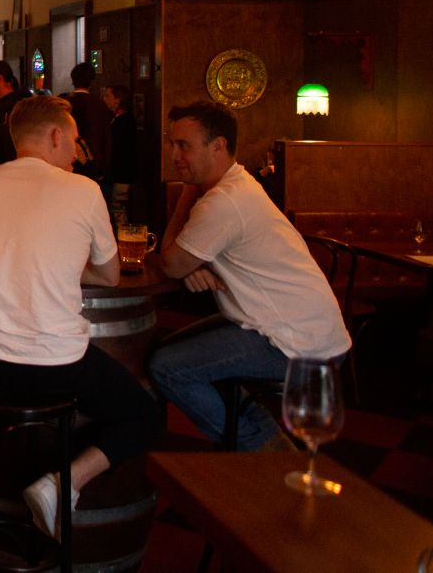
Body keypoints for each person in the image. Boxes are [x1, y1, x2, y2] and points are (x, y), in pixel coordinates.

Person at [0, 96, 160, 570]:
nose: (77, 153)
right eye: (74, 141)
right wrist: (67, 260)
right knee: (145, 414)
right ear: (55, 135)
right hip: (55, 368)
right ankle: (65, 481)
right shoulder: (84, 190)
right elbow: (109, 275)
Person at [147, 101, 350, 451]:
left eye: (184, 145)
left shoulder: (223, 201)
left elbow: (171, 264)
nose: (174, 155)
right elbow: (183, 262)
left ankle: (264, 450)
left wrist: (187, 194)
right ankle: (260, 436)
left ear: (218, 146)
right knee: (169, 351)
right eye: (173, 144)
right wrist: (197, 264)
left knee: (167, 367)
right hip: (293, 326)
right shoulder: (238, 183)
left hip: (298, 344)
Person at [63, 63, 111, 182]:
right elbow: (106, 137)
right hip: (91, 160)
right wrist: (104, 167)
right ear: (91, 82)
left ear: (73, 80)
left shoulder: (62, 102)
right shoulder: (99, 105)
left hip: (65, 158)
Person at [101, 84, 137, 224]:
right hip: (118, 174)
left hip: (121, 174)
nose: (104, 99)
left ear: (117, 99)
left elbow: (120, 151)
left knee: (118, 210)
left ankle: (124, 237)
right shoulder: (117, 118)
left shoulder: (124, 121)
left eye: (108, 96)